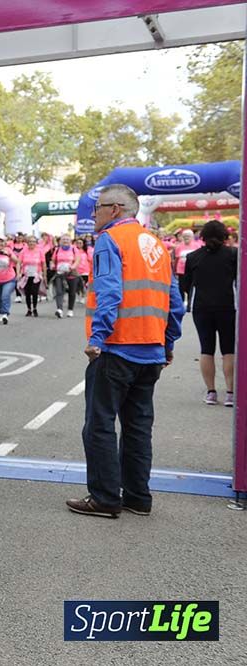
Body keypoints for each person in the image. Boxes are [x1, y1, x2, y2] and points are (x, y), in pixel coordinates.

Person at [67, 184, 184, 518]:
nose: (94, 215)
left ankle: (105, 498)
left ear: (115, 209)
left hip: (116, 348)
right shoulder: (157, 245)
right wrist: (167, 343)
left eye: (98, 208)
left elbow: (109, 292)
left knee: (99, 425)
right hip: (151, 352)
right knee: (137, 427)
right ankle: (137, 496)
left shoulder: (111, 239)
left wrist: (97, 338)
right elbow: (175, 303)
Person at [184, 220, 238, 406]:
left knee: (206, 349)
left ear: (203, 237)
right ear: (225, 236)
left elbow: (186, 285)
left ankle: (211, 392)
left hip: (202, 308)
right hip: (228, 306)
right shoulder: (233, 255)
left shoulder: (193, 257)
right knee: (228, 350)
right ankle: (230, 393)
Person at [50, 234, 80, 318]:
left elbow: (77, 260)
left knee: (72, 292)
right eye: (63, 239)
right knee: (59, 291)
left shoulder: (74, 249)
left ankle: (70, 309)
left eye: (67, 239)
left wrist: (72, 267)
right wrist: (52, 265)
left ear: (70, 241)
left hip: (71, 273)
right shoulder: (57, 250)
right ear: (60, 241)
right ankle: (59, 309)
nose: (65, 241)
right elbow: (53, 260)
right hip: (59, 273)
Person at [18, 236, 46, 317]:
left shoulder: (40, 251)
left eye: (33, 241)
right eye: (30, 241)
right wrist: (18, 273)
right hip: (26, 275)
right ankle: (29, 309)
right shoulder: (23, 251)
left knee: (34, 292)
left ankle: (35, 308)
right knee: (27, 293)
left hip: (36, 275)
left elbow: (43, 263)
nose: (31, 243)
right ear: (27, 242)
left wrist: (44, 274)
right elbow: (19, 263)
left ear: (36, 243)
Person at [172, 229, 200, 307]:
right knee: (181, 288)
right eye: (184, 236)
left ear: (192, 237)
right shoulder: (179, 246)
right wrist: (174, 270)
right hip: (181, 270)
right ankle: (181, 304)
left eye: (188, 236)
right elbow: (176, 259)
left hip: (192, 270)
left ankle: (190, 305)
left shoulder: (197, 246)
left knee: (191, 288)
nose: (186, 238)